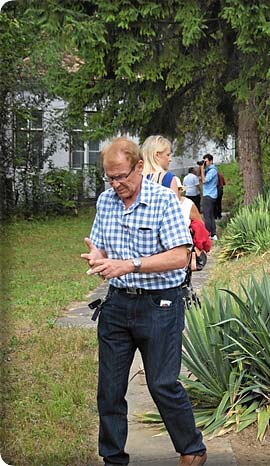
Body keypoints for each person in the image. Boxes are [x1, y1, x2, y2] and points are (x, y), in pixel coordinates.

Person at [80, 137, 208, 466]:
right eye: (110, 177)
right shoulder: (106, 202)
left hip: (160, 306)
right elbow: (103, 247)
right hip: (118, 305)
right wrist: (98, 255)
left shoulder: (164, 200)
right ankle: (113, 459)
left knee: (162, 383)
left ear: (139, 167)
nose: (116, 184)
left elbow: (180, 256)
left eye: (122, 176)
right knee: (109, 390)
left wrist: (130, 264)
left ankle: (192, 448)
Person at [200, 154, 218, 240]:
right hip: (211, 194)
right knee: (210, 215)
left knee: (207, 216)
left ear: (211, 161)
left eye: (206, 161)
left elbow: (204, 180)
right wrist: (201, 167)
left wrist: (202, 170)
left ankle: (208, 234)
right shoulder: (209, 169)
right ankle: (213, 234)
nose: (205, 163)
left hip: (209, 195)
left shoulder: (212, 171)